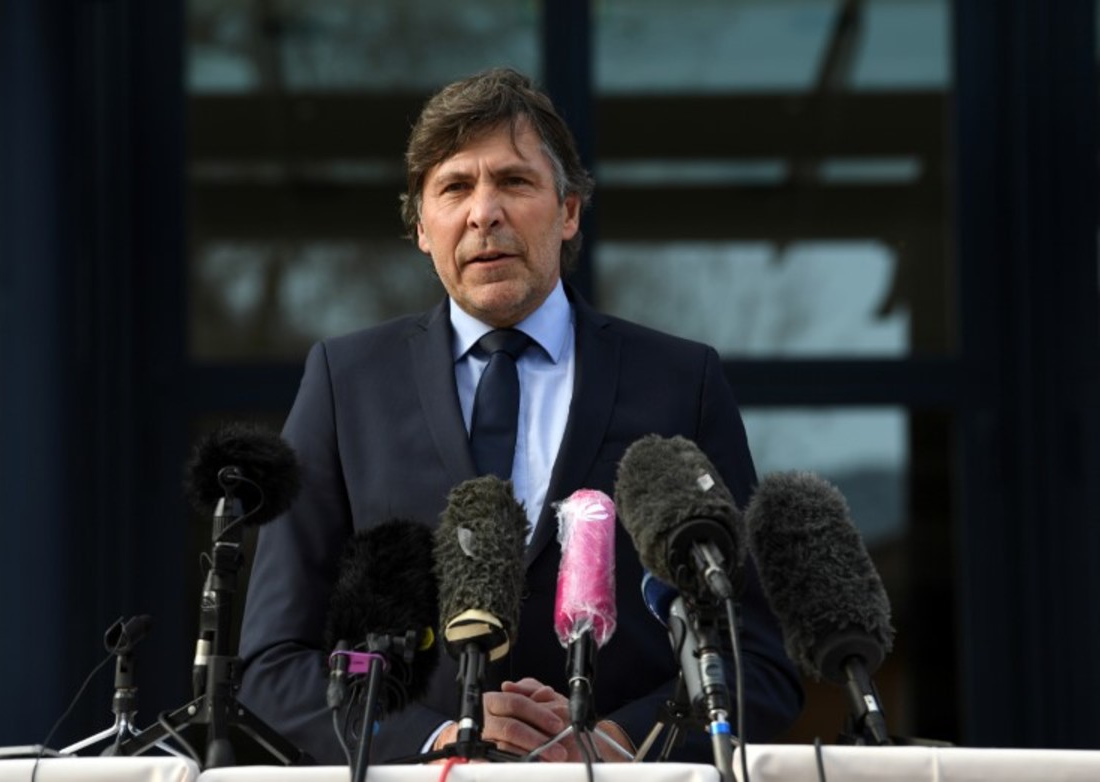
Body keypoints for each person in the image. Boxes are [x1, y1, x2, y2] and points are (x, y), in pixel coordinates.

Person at [237, 67, 803, 765]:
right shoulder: (345, 383)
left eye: (513, 181)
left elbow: (757, 657)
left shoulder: (681, 384)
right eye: (454, 188)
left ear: (568, 212)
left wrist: (624, 741)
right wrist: (436, 741)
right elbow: (274, 662)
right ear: (421, 227)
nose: (484, 213)